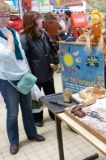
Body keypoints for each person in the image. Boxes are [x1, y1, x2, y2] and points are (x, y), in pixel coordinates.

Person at [0, 2, 45, 155]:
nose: (5, 19)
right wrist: (10, 38)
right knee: (12, 113)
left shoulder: (12, 32)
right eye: (1, 16)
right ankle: (14, 141)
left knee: (27, 108)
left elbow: (22, 54)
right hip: (8, 81)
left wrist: (28, 70)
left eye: (7, 15)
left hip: (23, 76)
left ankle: (31, 133)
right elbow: (6, 56)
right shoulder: (10, 34)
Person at [20, 11, 59, 127]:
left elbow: (52, 47)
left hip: (47, 70)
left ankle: (54, 114)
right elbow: (23, 57)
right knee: (36, 97)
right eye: (38, 19)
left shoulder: (44, 34)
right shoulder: (24, 38)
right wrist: (27, 73)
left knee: (51, 94)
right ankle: (38, 118)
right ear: (31, 22)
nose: (41, 21)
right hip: (34, 74)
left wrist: (55, 61)